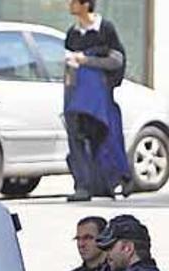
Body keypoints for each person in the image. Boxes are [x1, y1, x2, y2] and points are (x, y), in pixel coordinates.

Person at [64, 0, 133, 202]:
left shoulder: (105, 29)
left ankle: (114, 181)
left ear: (85, 4)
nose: (70, 4)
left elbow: (116, 60)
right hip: (77, 97)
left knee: (105, 137)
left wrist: (87, 60)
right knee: (77, 139)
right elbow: (69, 65)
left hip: (100, 97)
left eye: (74, 1)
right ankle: (83, 186)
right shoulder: (73, 34)